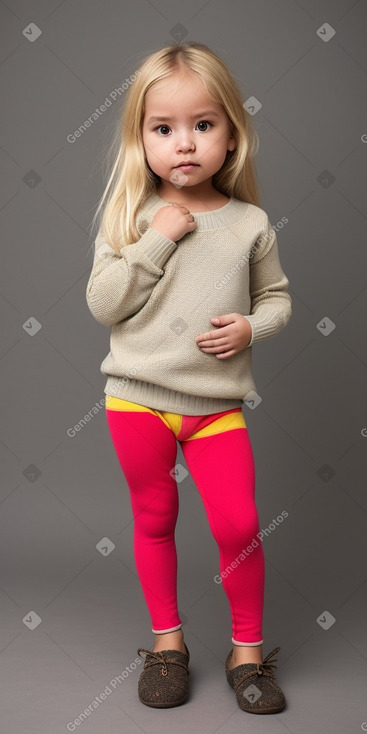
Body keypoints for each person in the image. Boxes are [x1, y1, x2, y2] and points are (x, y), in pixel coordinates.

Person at [86, 41, 292, 714]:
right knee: (154, 519)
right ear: (139, 137)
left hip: (214, 407)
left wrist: (248, 329)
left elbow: (278, 300)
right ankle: (168, 646)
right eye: (163, 128)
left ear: (231, 135)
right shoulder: (129, 217)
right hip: (135, 402)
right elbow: (104, 304)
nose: (184, 144)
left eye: (203, 125)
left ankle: (247, 652)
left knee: (238, 526)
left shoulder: (249, 224)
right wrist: (157, 239)